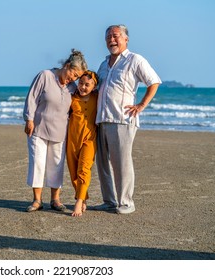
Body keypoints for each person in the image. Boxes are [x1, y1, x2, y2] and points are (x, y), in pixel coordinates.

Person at [95, 24, 161, 214]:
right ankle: (109, 201)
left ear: (126, 39)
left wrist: (141, 105)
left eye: (115, 36)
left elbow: (153, 81)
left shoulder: (135, 59)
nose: (111, 39)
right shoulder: (103, 63)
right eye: (108, 37)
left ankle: (126, 203)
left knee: (121, 163)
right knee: (102, 164)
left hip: (122, 119)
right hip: (101, 119)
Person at [23, 49, 88, 212]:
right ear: (67, 66)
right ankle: (37, 200)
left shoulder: (72, 87)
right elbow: (32, 97)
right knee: (37, 163)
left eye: (77, 77)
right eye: (73, 74)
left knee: (56, 165)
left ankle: (55, 200)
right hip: (38, 128)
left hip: (60, 131)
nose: (73, 79)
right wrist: (29, 119)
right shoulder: (45, 76)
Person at [66, 71, 99, 217]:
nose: (83, 87)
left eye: (87, 84)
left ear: (94, 86)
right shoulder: (71, 99)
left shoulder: (97, 98)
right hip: (72, 140)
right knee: (74, 172)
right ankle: (83, 196)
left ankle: (78, 202)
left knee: (84, 169)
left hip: (89, 139)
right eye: (81, 83)